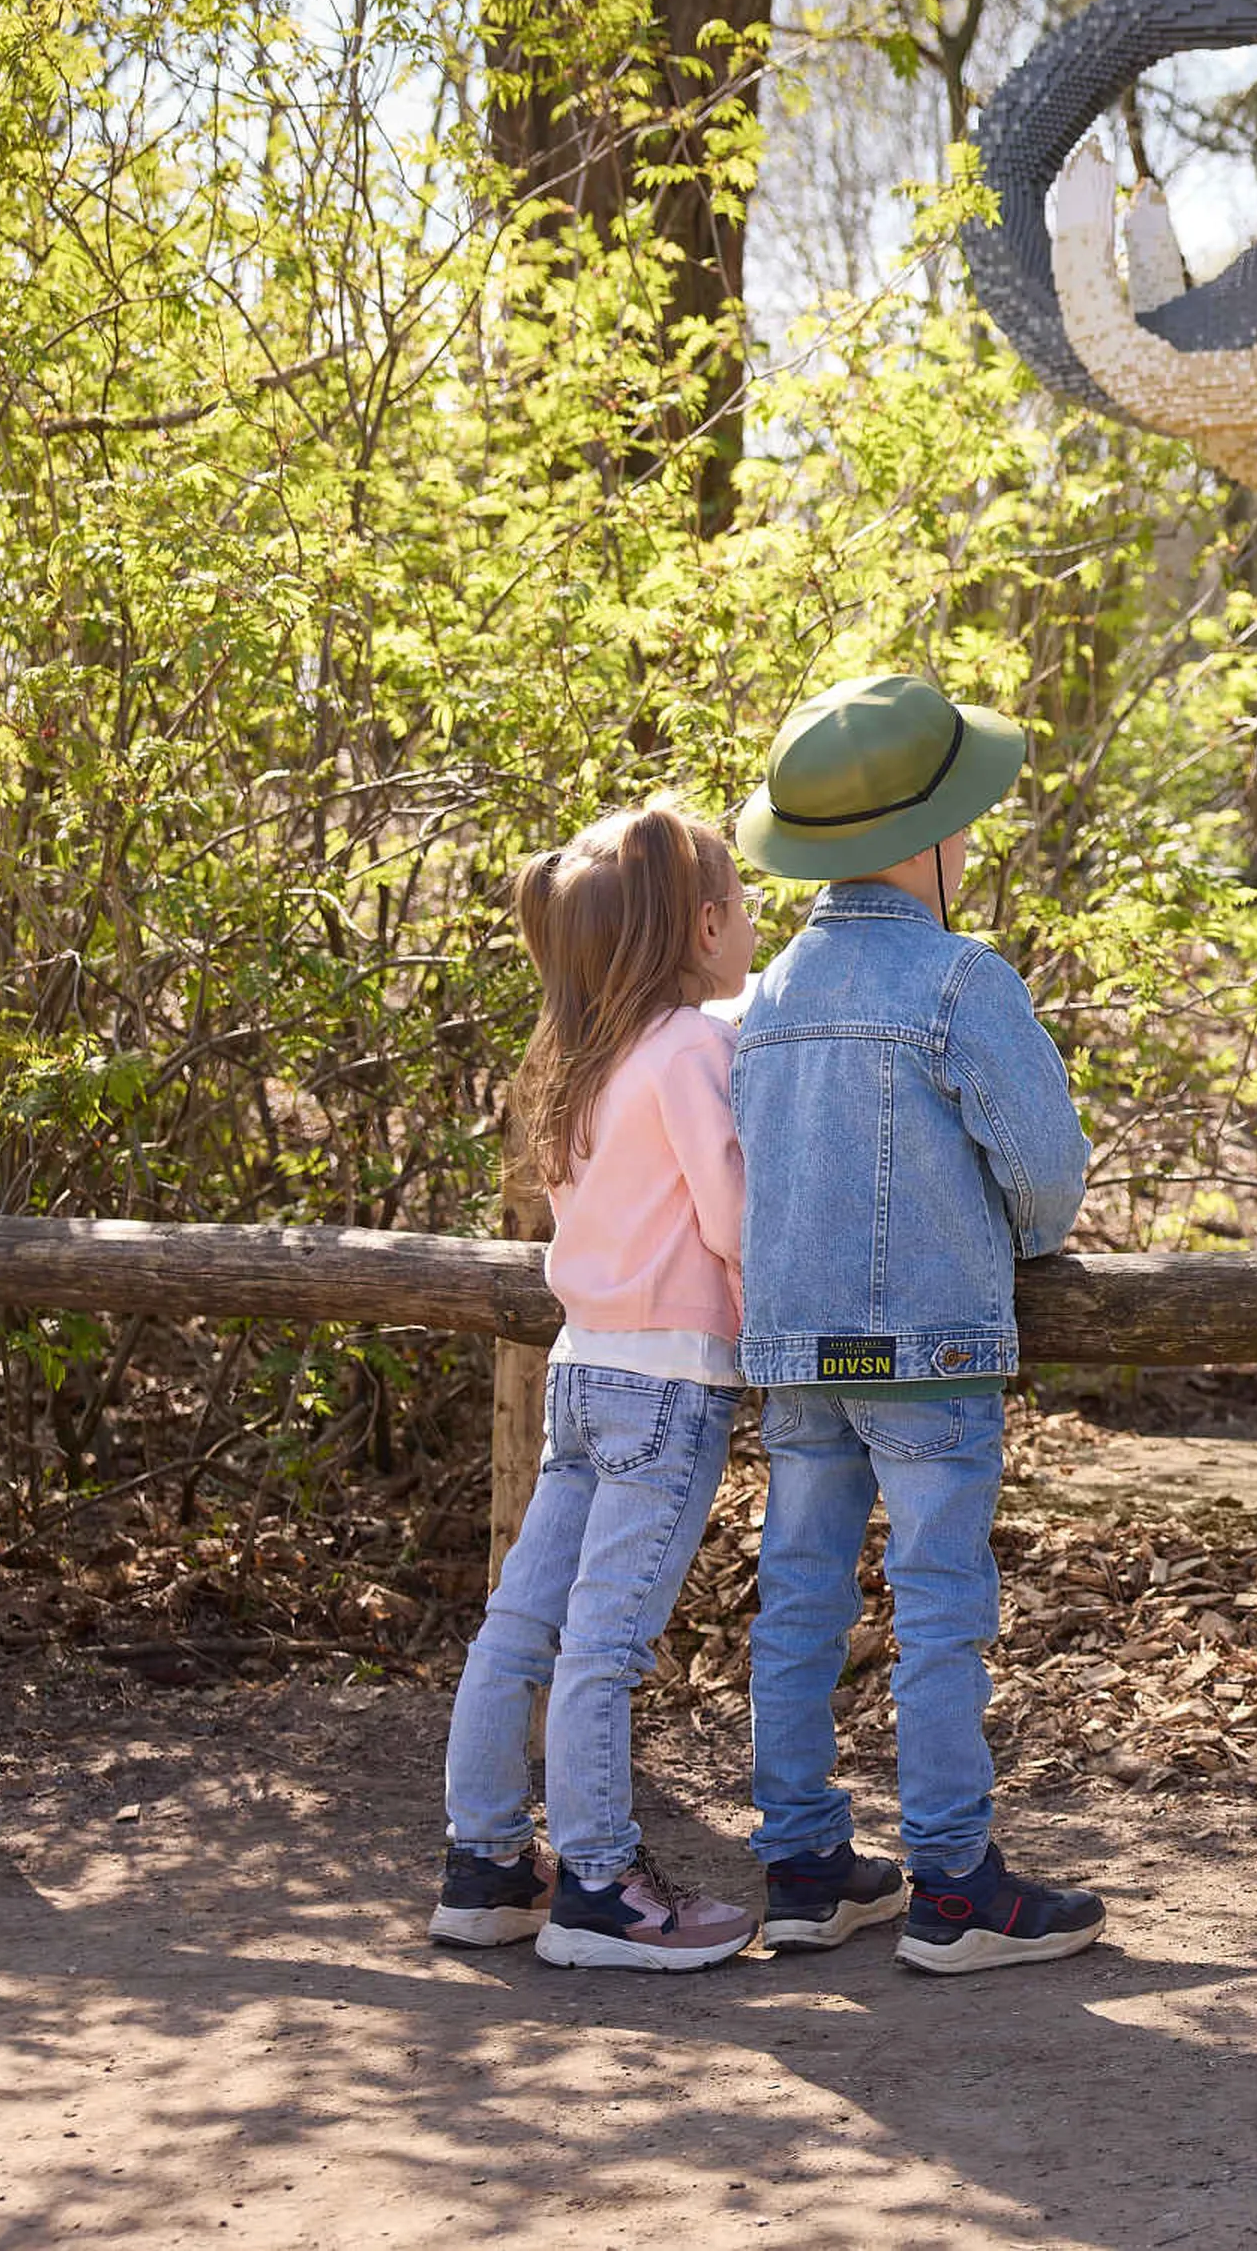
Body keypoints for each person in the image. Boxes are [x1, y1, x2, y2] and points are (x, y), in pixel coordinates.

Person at [731, 672, 1104, 1974]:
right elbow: (1047, 1172)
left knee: (798, 1598)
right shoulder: (958, 979)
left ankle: (801, 1868)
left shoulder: (767, 995)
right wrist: (1023, 1242)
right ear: (928, 837)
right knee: (940, 1604)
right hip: (930, 1350)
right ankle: (952, 1884)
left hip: (799, 1350)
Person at [434, 799, 762, 1971]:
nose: (753, 922)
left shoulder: (579, 1057)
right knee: (606, 1645)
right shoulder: (693, 1050)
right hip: (668, 1385)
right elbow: (731, 1219)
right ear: (704, 925)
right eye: (742, 903)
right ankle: (600, 1889)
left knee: (522, 1626)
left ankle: (485, 1865)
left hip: (582, 1373)